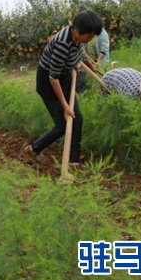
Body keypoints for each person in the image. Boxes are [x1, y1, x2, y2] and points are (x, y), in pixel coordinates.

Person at [25, 11, 102, 167]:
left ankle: (73, 160)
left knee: (77, 119)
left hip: (64, 76)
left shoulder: (78, 36)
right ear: (77, 30)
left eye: (93, 36)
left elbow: (80, 51)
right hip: (49, 83)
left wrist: (84, 64)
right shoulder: (62, 44)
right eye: (89, 36)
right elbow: (53, 77)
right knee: (62, 124)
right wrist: (66, 106)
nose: (90, 39)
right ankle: (33, 149)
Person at [75, 28, 110, 93]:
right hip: (87, 61)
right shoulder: (87, 33)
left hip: (99, 62)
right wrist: (90, 63)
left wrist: (97, 62)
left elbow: (104, 50)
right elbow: (83, 51)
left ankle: (105, 89)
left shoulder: (103, 34)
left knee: (103, 78)